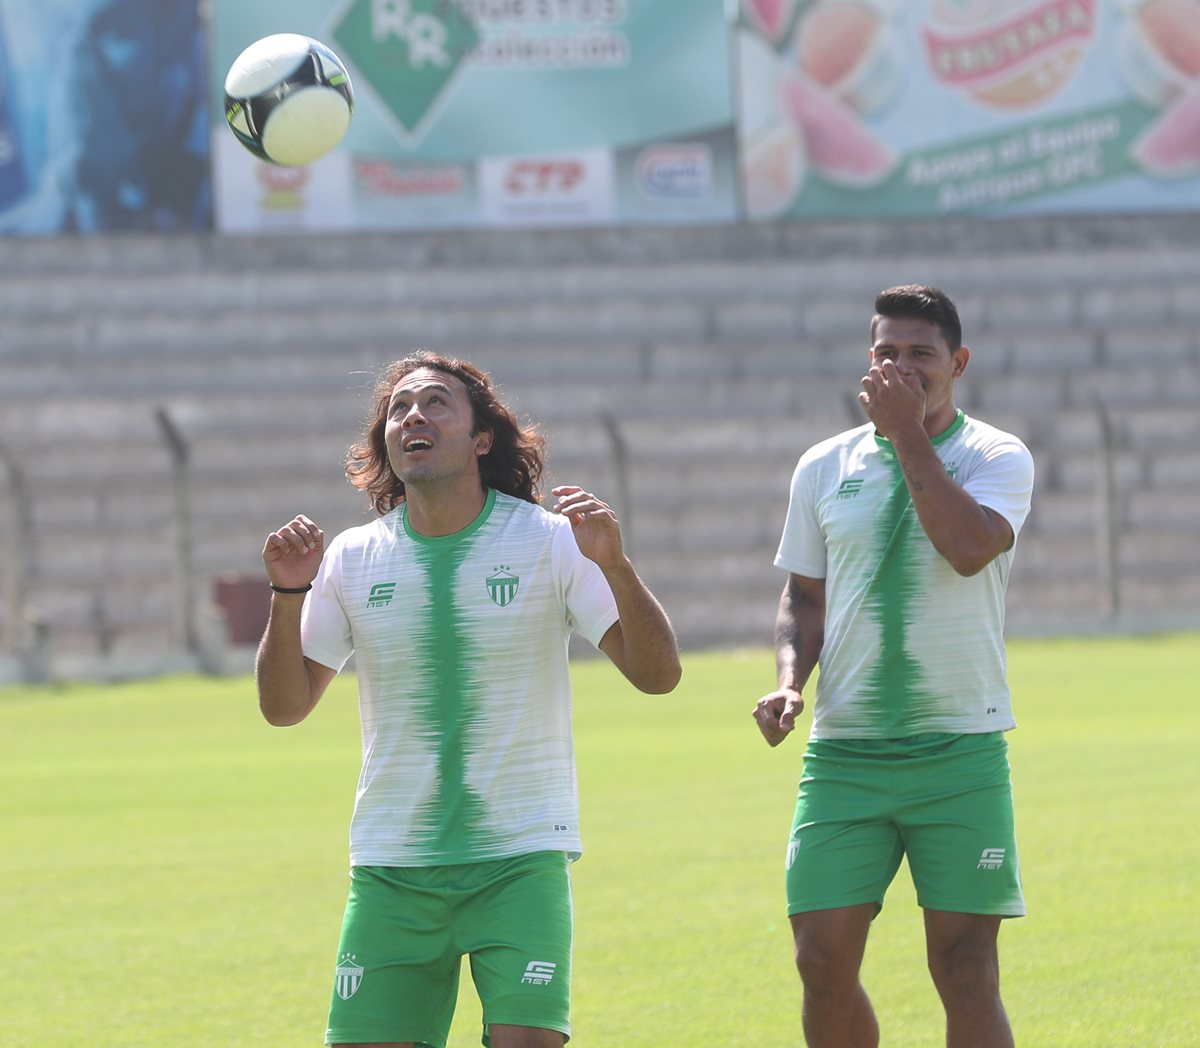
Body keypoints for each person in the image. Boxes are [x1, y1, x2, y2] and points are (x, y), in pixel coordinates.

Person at [256, 350, 682, 1048]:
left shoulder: (550, 541)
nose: (413, 416)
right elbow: (284, 707)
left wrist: (616, 566)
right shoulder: (353, 556)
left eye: (435, 403)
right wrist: (286, 594)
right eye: (398, 408)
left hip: (519, 857)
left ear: (482, 438)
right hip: (394, 864)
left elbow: (657, 675)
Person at [752, 285, 1035, 1048]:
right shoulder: (823, 465)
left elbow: (968, 549)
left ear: (958, 364)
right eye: (886, 352)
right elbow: (804, 596)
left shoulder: (996, 454)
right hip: (846, 754)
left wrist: (907, 432)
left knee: (966, 966)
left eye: (920, 354)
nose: (901, 367)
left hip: (959, 750)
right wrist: (788, 682)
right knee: (820, 961)